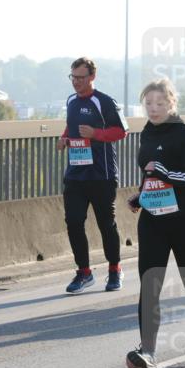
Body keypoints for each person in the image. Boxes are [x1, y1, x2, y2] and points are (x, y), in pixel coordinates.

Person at [125, 79, 185, 368]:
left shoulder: (182, 132)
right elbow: (151, 174)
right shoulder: (147, 132)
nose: (153, 109)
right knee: (150, 285)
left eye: (159, 103)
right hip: (153, 220)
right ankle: (148, 351)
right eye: (148, 103)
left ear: (171, 104)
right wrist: (141, 195)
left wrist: (166, 173)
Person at [58, 57, 128, 294]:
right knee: (74, 222)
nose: (76, 82)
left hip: (102, 174)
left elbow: (121, 131)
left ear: (92, 77)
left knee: (106, 224)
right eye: (73, 77)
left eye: (80, 77)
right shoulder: (70, 101)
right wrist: (63, 138)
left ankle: (114, 269)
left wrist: (96, 133)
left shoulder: (104, 102)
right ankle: (84, 272)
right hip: (76, 175)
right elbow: (72, 126)